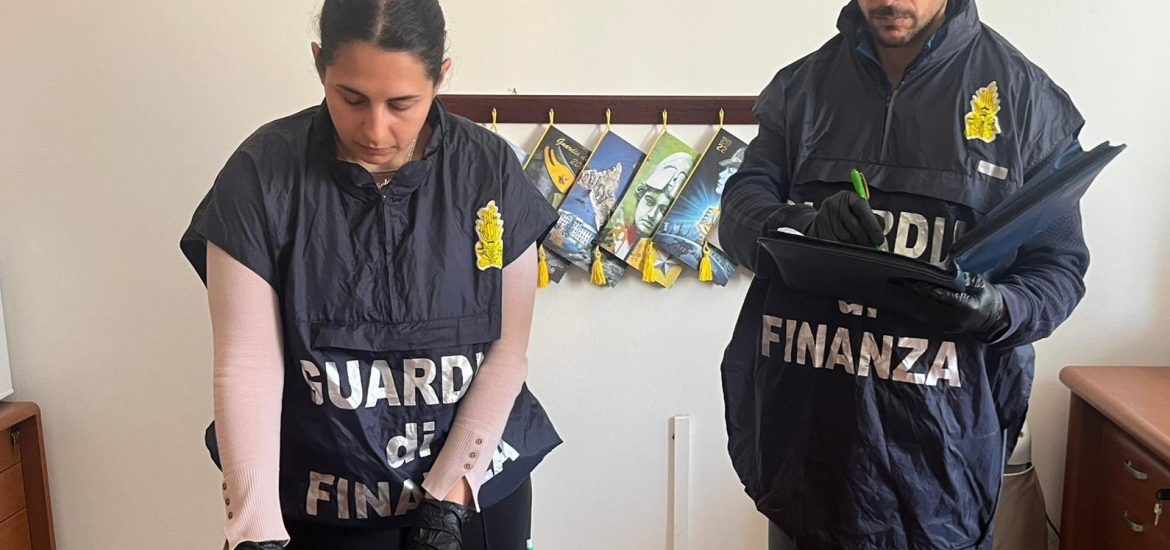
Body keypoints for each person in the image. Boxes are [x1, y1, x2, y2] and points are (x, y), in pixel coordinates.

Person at [179, 1, 561, 549]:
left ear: (441, 77)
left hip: (475, 489)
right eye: (351, 98)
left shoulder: (490, 171)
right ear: (319, 64)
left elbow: (507, 350)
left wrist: (451, 498)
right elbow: (247, 364)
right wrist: (253, 525)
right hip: (323, 500)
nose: (376, 129)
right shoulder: (261, 175)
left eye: (403, 104)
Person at [717, 0, 1089, 548]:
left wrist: (998, 309)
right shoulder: (804, 89)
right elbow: (737, 213)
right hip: (804, 451)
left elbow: (1058, 267)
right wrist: (805, 225)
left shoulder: (1027, 102)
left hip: (941, 468)